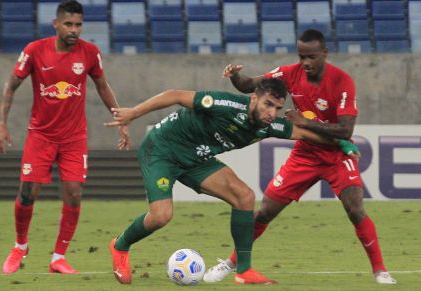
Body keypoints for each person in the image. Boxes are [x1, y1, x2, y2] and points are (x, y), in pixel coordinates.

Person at [104, 78, 359, 285]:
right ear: (254, 98)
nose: (272, 113)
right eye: (268, 104)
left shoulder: (269, 125)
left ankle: (244, 271)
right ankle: (120, 245)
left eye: (277, 108)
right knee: (161, 216)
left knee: (244, 197)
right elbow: (174, 94)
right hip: (161, 150)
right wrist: (133, 114)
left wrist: (342, 142)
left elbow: (305, 133)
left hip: (197, 158)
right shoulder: (223, 103)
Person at [203, 29, 397, 285]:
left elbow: (346, 129)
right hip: (305, 154)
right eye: (301, 56)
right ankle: (231, 263)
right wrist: (235, 76)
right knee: (264, 213)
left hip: (337, 153)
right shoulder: (289, 73)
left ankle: (380, 271)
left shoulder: (342, 82)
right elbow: (250, 85)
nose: (305, 62)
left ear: (324, 54)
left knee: (355, 209)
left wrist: (304, 121)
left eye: (311, 57)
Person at [0, 0, 129, 274]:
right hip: (41, 135)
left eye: (78, 25)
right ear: (55, 23)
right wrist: (1, 123)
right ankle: (20, 246)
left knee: (74, 193)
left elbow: (103, 86)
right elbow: (12, 85)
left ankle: (58, 257)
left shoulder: (90, 53)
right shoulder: (34, 51)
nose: (74, 30)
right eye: (68, 24)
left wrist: (121, 119)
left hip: (74, 137)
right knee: (28, 191)